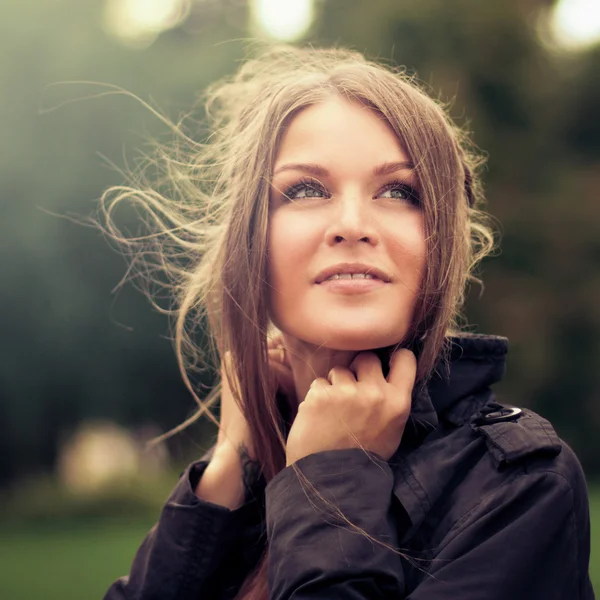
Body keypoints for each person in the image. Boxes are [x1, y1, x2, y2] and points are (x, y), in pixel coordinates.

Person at [103, 46, 594, 599]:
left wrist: (330, 476)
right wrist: (224, 476)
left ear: (444, 245)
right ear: (249, 245)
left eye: (399, 192)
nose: (353, 224)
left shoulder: (522, 487)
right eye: (306, 190)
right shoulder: (233, 491)